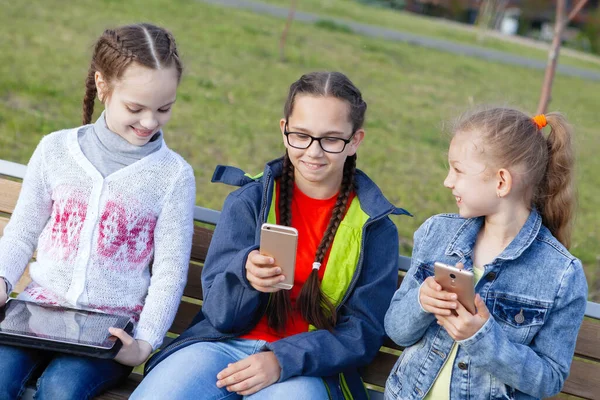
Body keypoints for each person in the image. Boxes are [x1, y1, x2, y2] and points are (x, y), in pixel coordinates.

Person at [131, 71, 410, 400]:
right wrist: (244, 274)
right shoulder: (248, 201)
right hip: (222, 347)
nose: (314, 151)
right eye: (301, 135)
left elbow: (362, 333)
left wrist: (281, 360)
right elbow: (219, 314)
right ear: (284, 130)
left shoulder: (374, 227)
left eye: (331, 139)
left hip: (306, 369)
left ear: (355, 141)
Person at [0, 23, 195, 399]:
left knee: (60, 389)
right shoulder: (55, 150)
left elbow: (170, 271)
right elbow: (23, 230)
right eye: (135, 108)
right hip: (35, 315)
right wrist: (3, 280)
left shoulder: (172, 176)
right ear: (103, 86)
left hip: (110, 334)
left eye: (164, 109)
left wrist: (144, 342)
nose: (150, 122)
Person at [384, 108, 588, 399]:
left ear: (501, 182)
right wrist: (421, 301)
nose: (448, 181)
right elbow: (396, 330)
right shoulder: (436, 233)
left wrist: (481, 339)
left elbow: (548, 380)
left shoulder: (561, 274)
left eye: (458, 170)